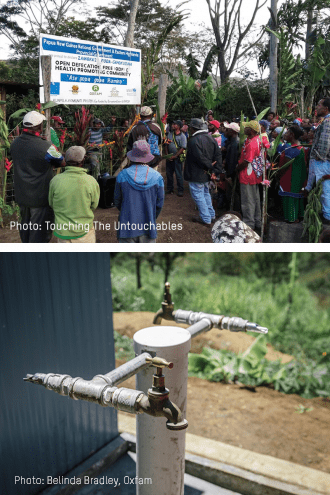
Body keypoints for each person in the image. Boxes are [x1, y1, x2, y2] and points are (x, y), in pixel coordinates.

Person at [10, 110, 64, 243]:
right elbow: (61, 161)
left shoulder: (14, 144)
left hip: (22, 196)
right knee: (40, 233)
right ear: (39, 127)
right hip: (40, 197)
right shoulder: (45, 146)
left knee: (26, 229)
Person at [114, 140, 164, 243]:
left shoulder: (122, 175)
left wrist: (125, 210)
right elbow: (159, 203)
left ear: (132, 155)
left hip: (126, 227)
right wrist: (151, 215)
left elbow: (117, 200)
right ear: (148, 156)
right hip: (148, 226)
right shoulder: (157, 177)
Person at [48, 146, 100, 243]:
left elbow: (51, 203)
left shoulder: (55, 181)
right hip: (85, 232)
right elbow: (94, 205)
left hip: (63, 233)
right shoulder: (91, 181)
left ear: (65, 160)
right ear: (83, 160)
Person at [184, 118, 222, 226]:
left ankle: (206, 218)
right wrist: (214, 169)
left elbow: (199, 157)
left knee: (199, 196)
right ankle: (211, 215)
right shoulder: (211, 138)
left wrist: (209, 165)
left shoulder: (193, 140)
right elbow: (218, 154)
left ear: (193, 128)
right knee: (205, 194)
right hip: (206, 173)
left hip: (197, 173)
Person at [306, 98, 330, 224]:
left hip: (323, 161)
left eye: (319, 105)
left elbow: (325, 142)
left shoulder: (327, 121)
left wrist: (319, 157)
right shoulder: (325, 120)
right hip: (324, 161)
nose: (317, 107)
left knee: (325, 191)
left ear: (326, 108)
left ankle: (327, 218)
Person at [277, 126, 308, 223]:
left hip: (290, 178)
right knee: (297, 197)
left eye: (287, 133)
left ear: (292, 135)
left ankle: (292, 219)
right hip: (299, 178)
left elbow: (285, 166)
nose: (285, 135)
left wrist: (277, 174)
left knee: (290, 197)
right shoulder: (302, 147)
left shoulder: (292, 149)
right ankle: (299, 216)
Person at [237, 120, 263, 233]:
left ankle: (249, 224)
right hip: (253, 175)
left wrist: (237, 168)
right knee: (255, 199)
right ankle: (257, 221)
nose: (244, 129)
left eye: (246, 127)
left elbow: (247, 161)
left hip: (248, 174)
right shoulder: (255, 140)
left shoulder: (252, 143)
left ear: (251, 130)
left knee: (248, 201)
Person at [165, 120, 187, 197]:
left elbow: (183, 148)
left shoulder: (182, 136)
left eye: (175, 124)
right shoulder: (170, 134)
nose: (172, 125)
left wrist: (175, 156)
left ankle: (180, 190)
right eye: (173, 124)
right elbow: (166, 145)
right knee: (169, 174)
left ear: (179, 126)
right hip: (169, 158)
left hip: (177, 159)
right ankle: (170, 189)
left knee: (178, 174)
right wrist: (167, 155)